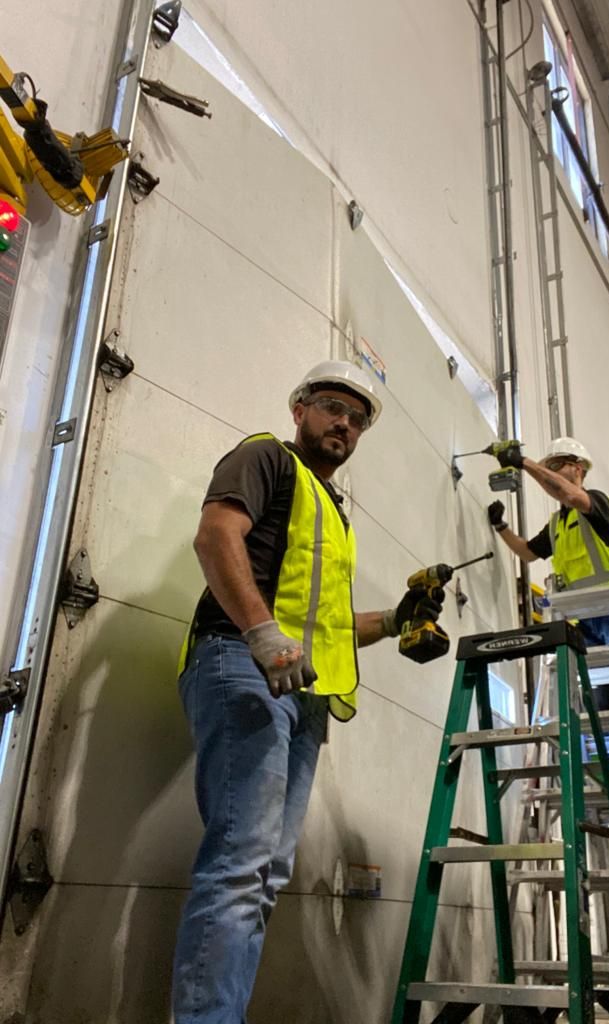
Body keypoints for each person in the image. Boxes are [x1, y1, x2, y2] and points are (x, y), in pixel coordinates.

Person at [172, 360, 443, 1023]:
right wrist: (261, 633)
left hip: (302, 692)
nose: (343, 423)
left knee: (263, 876)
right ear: (300, 409)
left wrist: (397, 619)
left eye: (356, 419)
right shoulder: (265, 458)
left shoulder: (331, 511)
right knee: (241, 865)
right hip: (244, 663)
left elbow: (327, 624)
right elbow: (215, 536)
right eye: (330, 407)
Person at [486, 436, 609, 713]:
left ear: (579, 469)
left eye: (558, 464)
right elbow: (527, 553)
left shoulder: (596, 503)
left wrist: (523, 463)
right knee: (595, 704)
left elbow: (570, 495)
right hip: (584, 619)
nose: (551, 471)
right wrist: (501, 526)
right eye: (549, 465)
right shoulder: (556, 525)